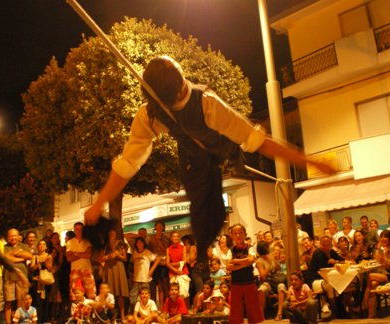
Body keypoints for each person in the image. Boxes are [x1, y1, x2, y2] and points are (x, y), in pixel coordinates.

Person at [84, 55, 334, 260]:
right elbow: (128, 163)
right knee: (202, 210)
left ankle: (204, 247)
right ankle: (202, 250)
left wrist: (309, 161)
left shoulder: (208, 104)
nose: (184, 89)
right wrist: (99, 203)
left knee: (211, 199)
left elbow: (257, 142)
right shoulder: (150, 114)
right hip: (194, 158)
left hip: (223, 148)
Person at [227, 224, 264, 324]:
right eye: (235, 233)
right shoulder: (230, 250)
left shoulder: (250, 247)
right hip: (236, 284)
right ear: (232, 236)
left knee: (253, 310)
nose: (238, 235)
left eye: (240, 233)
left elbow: (251, 259)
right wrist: (246, 263)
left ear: (245, 234)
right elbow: (229, 267)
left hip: (249, 282)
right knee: (236, 312)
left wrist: (236, 261)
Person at [4, 228, 33, 324]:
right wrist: (21, 258)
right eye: (11, 236)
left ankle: (18, 321)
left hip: (21, 277)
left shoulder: (24, 246)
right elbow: (6, 259)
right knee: (8, 301)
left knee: (20, 301)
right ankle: (8, 322)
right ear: (8, 237)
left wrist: (13, 256)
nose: (13, 238)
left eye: (15, 235)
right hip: (8, 277)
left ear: (18, 236)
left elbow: (29, 256)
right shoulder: (4, 247)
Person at [100, 229, 129, 321]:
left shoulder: (120, 243)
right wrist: (108, 257)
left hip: (118, 268)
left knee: (120, 293)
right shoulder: (105, 245)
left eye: (113, 232)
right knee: (109, 293)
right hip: (109, 269)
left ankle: (122, 315)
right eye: (110, 232)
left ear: (116, 234)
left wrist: (117, 255)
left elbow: (125, 258)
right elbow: (101, 258)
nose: (112, 234)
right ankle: (112, 317)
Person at [66, 222, 96, 300]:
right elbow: (69, 258)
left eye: (81, 229)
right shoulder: (70, 242)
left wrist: (75, 253)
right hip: (75, 270)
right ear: (74, 230)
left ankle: (91, 311)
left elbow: (89, 255)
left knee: (91, 294)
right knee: (75, 295)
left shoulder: (87, 241)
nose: (79, 231)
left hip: (87, 270)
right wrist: (83, 254)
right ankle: (77, 311)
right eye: (77, 229)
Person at [129, 237, 160, 310]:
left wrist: (151, 270)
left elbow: (158, 259)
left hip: (145, 279)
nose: (139, 244)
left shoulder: (147, 252)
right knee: (132, 297)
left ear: (143, 243)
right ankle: (135, 312)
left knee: (145, 298)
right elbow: (131, 263)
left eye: (141, 242)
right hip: (136, 279)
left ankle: (146, 313)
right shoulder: (134, 253)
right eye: (138, 242)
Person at [29, 239, 53, 323]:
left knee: (46, 302)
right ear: (37, 246)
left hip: (46, 282)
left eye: (43, 244)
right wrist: (38, 264)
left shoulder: (49, 256)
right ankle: (38, 321)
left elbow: (50, 268)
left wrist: (45, 262)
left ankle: (45, 320)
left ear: (46, 247)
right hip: (37, 281)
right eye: (40, 244)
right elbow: (31, 269)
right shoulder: (34, 257)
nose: (42, 246)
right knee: (38, 303)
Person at [147, 220, 170, 308]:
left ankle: (165, 306)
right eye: (157, 226)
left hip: (164, 263)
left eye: (161, 226)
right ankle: (159, 306)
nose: (159, 227)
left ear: (163, 227)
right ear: (155, 227)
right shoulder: (151, 239)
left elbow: (169, 249)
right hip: (155, 263)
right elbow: (149, 251)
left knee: (165, 286)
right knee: (159, 286)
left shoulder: (166, 238)